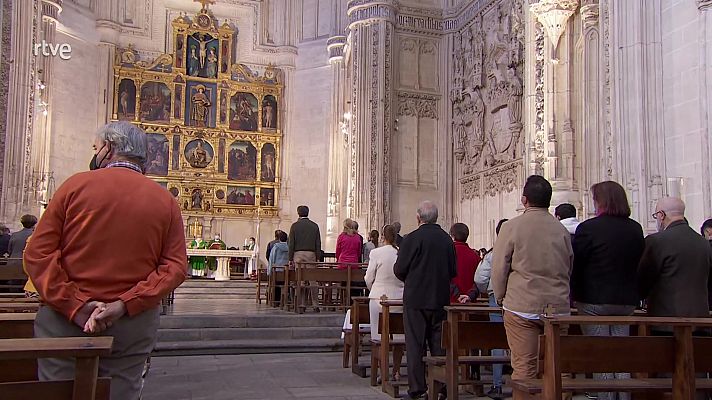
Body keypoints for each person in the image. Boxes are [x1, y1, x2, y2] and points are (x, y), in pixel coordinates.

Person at [23, 121, 187, 400]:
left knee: (59, 390)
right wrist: (125, 304)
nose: (95, 152)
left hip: (64, 320)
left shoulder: (74, 186)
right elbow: (175, 267)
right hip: (130, 323)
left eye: (96, 148)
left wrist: (76, 305)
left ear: (108, 149)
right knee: (121, 391)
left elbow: (37, 254)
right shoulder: (165, 201)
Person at [491, 175, 573, 393]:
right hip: (557, 306)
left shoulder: (512, 227)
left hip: (522, 305)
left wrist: (500, 297)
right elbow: (568, 266)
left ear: (524, 199)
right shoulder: (561, 230)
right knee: (559, 368)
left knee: (524, 368)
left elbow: (499, 267)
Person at [572, 181, 645, 400]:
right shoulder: (635, 228)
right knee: (621, 353)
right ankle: (623, 396)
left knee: (601, 353)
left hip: (595, 299)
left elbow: (577, 263)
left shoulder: (589, 228)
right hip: (626, 301)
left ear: (600, 202)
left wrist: (574, 294)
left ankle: (604, 396)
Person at [394, 201, 456, 400]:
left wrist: (413, 280)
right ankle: (440, 387)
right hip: (439, 298)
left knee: (415, 344)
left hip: (416, 299)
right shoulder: (447, 240)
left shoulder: (411, 238)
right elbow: (453, 271)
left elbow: (399, 269)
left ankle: (417, 389)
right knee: (438, 344)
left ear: (418, 218)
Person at [638, 197, 711, 323]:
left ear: (661, 215)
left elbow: (643, 280)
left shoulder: (656, 241)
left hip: (666, 319)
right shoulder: (703, 243)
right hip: (700, 319)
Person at [459, 218, 508, 399]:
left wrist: (483, 289)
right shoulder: (523, 250)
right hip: (521, 299)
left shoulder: (493, 254)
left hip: (497, 298)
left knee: (497, 339)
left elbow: (480, 279)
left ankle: (497, 384)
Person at [365, 224, 404, 381]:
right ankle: (396, 371)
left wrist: (372, 288)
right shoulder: (400, 253)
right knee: (399, 338)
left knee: (379, 336)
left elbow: (369, 277)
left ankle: (383, 372)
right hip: (399, 298)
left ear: (382, 237)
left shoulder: (376, 252)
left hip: (378, 298)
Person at [288, 205, 322, 312]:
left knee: (300, 280)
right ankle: (315, 304)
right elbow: (318, 243)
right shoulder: (314, 226)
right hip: (311, 254)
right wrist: (317, 257)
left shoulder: (294, 226)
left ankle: (301, 304)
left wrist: (290, 258)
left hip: (298, 254)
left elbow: (291, 244)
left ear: (298, 213)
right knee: (313, 281)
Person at [449, 223, 480, 304]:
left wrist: (457, 295)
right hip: (470, 303)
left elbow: (443, 277)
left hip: (450, 302)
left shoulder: (446, 254)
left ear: (452, 236)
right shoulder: (475, 256)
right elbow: (479, 281)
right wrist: (470, 295)